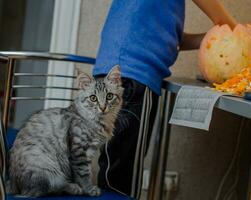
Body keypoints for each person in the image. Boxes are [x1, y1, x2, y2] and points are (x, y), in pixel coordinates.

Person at [93, 0, 237, 198]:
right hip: (132, 75)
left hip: (120, 72)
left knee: (115, 164)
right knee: (123, 173)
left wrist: (212, 37)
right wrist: (233, 26)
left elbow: (169, 39)